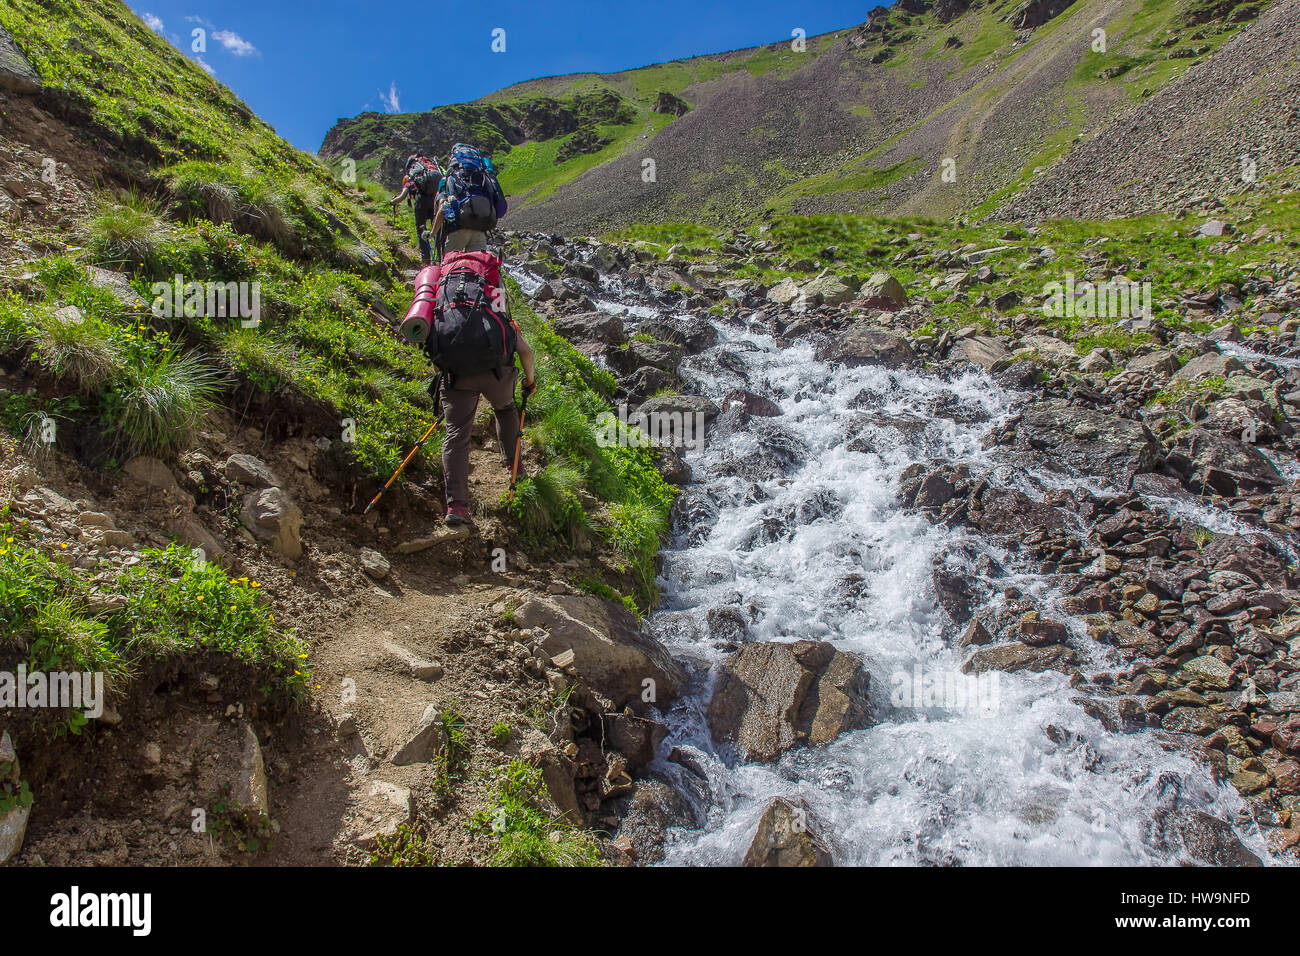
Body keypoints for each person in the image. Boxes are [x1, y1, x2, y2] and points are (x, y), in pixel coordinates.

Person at [436, 270, 537, 528]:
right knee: (505, 410)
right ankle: (515, 468)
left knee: (456, 432)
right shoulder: (494, 294)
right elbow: (525, 352)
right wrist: (530, 381)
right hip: (497, 375)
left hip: (457, 375)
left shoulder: (445, 295)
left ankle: (457, 505)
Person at [390, 154, 442, 265]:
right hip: (435, 201)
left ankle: (426, 261)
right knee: (437, 230)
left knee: (421, 231)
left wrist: (392, 202)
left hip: (420, 203)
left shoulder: (412, 179)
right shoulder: (429, 175)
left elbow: (402, 196)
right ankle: (441, 258)